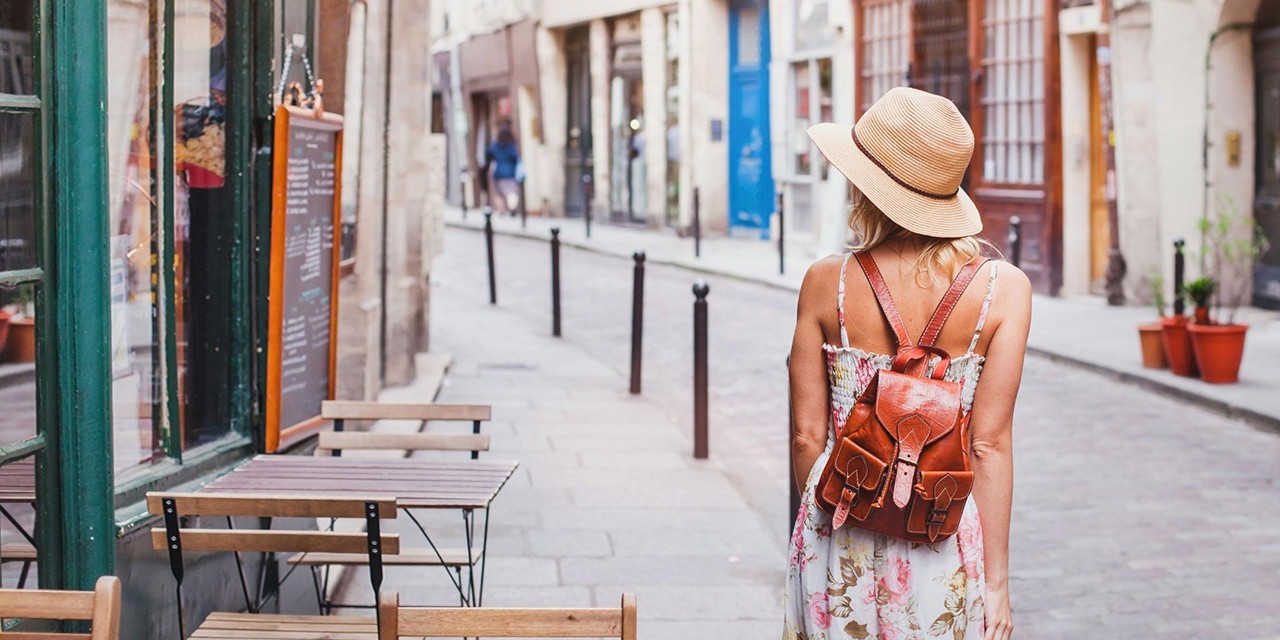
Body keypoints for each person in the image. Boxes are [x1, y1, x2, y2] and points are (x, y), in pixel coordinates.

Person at [784, 87, 1030, 640]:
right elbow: (989, 445)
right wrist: (997, 584)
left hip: (839, 523)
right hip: (940, 531)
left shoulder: (828, 283)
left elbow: (806, 436)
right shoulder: (1004, 291)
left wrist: (818, 523)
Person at [485, 124, 522, 214]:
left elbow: (488, 153)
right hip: (510, 173)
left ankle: (501, 209)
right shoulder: (512, 146)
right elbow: (515, 157)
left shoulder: (495, 146)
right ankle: (512, 207)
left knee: (499, 193)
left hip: (499, 173)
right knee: (511, 191)